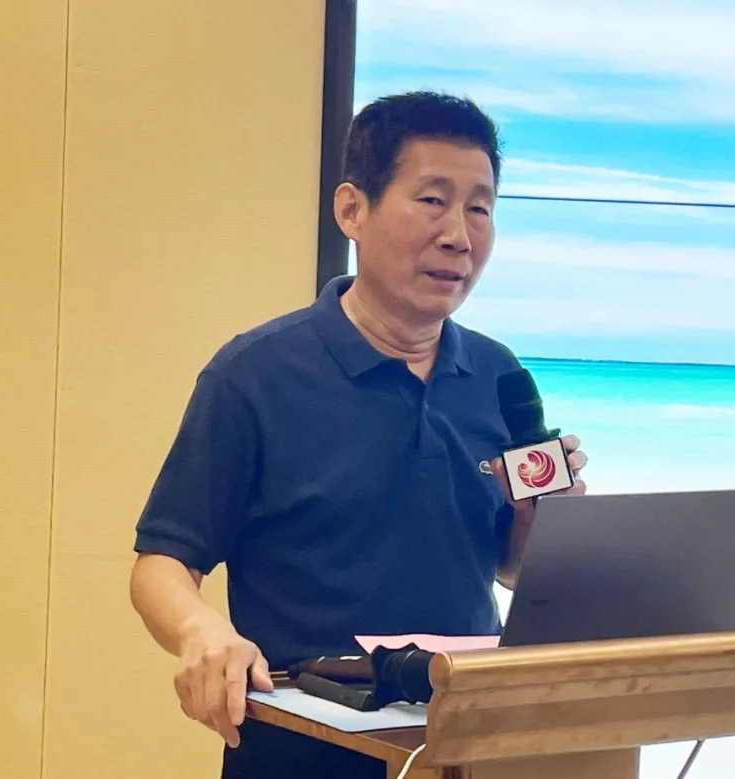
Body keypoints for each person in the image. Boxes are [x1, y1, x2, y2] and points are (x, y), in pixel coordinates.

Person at [128, 91, 589, 779]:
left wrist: (541, 520)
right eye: (432, 200)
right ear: (352, 210)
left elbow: (510, 568)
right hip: (303, 745)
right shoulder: (254, 374)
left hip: (467, 742)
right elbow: (161, 562)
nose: (459, 236)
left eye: (480, 208)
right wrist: (202, 629)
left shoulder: (498, 373)